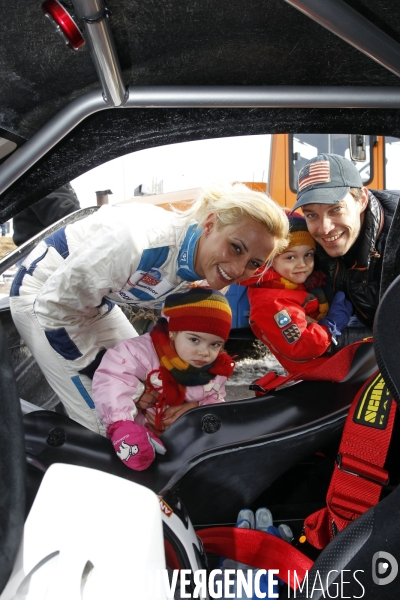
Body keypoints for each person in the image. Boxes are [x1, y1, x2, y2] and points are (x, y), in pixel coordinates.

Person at [9, 182, 288, 433]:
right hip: (44, 296)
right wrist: (110, 376)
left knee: (147, 397)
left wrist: (193, 400)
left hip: (94, 300)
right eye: (236, 247)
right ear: (210, 224)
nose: (239, 269)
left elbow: (178, 344)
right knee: (105, 416)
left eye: (254, 264)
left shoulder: (216, 271)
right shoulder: (137, 242)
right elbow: (54, 306)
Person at [92, 287, 235, 470]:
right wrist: (122, 424)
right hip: (142, 438)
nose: (204, 352)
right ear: (173, 332)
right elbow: (112, 379)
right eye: (194, 340)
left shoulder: (216, 371)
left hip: (184, 446)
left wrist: (196, 411)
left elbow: (214, 400)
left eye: (215, 344)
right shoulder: (140, 353)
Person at [292, 153, 400, 332]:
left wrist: (330, 339)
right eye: (311, 215)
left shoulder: (395, 237)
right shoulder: (305, 241)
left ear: (362, 200)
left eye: (336, 209)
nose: (324, 228)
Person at [242, 214, 353, 375]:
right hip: (319, 374)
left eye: (308, 254)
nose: (302, 264)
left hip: (330, 365)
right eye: (290, 257)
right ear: (269, 260)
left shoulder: (293, 285)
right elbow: (302, 345)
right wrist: (331, 325)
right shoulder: (272, 302)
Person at [12, 183, 80, 246]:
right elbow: (59, 209)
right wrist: (85, 220)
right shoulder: (41, 175)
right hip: (40, 245)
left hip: (49, 241)